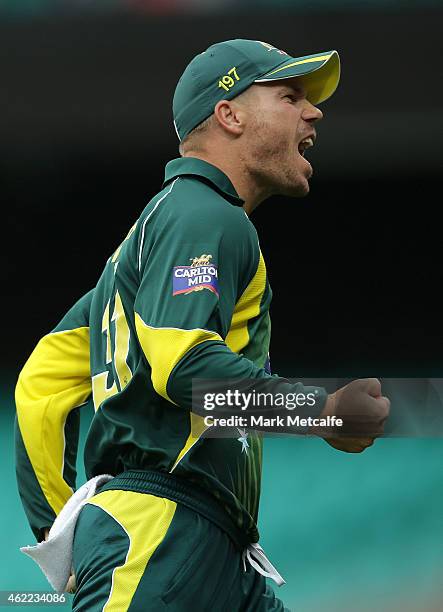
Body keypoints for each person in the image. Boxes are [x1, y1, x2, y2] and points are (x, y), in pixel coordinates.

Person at [15, 39, 389, 611]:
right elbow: (184, 368)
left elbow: (40, 386)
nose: (313, 112)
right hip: (164, 537)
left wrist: (61, 534)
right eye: (290, 95)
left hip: (201, 548)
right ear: (230, 114)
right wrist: (323, 410)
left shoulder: (146, 247)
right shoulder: (204, 213)